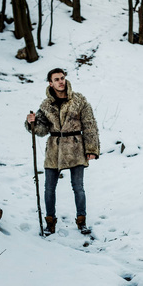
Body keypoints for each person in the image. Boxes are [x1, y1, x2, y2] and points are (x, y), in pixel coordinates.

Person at [25, 68, 100, 235]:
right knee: (49, 188)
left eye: (62, 78)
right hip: (54, 149)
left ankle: (82, 221)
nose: (61, 82)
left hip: (75, 147)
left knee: (78, 187)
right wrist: (32, 122)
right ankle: (50, 222)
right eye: (57, 79)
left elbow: (90, 125)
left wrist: (91, 149)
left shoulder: (79, 100)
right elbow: (42, 130)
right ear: (50, 83)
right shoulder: (46, 105)